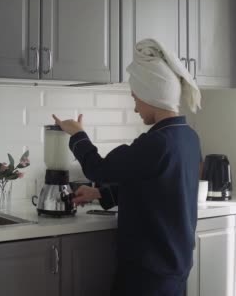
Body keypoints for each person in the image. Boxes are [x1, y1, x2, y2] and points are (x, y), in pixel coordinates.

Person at [52, 38, 202, 296]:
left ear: (151, 96)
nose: (135, 108)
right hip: (175, 268)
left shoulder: (157, 143)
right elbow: (157, 188)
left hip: (148, 273)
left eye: (136, 98)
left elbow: (98, 169)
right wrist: (100, 194)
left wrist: (77, 135)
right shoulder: (188, 137)